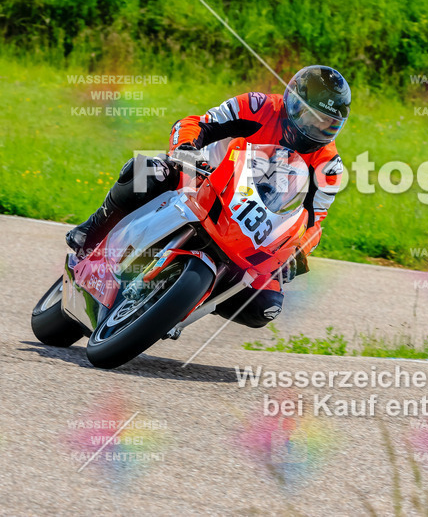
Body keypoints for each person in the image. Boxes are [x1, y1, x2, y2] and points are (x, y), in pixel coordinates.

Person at [65, 65, 350, 328]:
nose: (317, 128)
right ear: (292, 103)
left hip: (255, 226)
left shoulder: (330, 166)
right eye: (311, 117)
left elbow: (313, 222)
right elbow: (199, 123)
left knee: (266, 307)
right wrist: (186, 149)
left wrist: (296, 253)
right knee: (146, 171)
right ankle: (92, 229)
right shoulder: (259, 106)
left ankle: (190, 296)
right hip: (205, 179)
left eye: (327, 123)